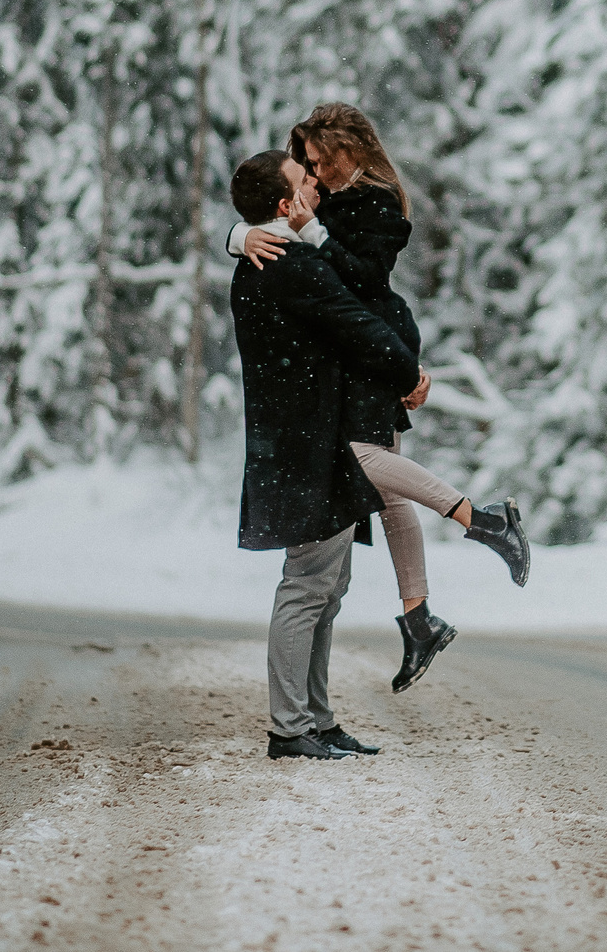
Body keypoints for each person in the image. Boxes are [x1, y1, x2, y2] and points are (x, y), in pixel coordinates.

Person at [237, 104, 531, 694]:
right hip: (354, 352)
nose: (310, 175)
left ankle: (483, 521)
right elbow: (269, 211)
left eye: (317, 163)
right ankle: (419, 616)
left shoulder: (378, 204)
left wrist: (307, 232)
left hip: (372, 348)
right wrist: (241, 234)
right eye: (305, 166)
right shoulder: (312, 195)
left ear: (350, 153)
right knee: (383, 482)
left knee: (368, 463)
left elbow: (360, 281)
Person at [226, 148, 414, 761]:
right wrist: (407, 370)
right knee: (309, 586)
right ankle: (290, 728)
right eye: (306, 180)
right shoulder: (290, 265)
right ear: (288, 204)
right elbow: (356, 323)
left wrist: (237, 234)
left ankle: (317, 720)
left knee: (326, 586)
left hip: (302, 443)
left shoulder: (259, 257)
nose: (317, 183)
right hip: (309, 450)